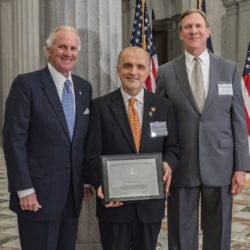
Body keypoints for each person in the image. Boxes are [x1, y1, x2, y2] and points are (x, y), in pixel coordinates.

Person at [156, 8, 250, 250]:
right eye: (188, 27)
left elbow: (239, 121)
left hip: (221, 164)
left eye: (198, 26)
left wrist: (241, 166)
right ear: (180, 34)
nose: (194, 31)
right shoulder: (166, 72)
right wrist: (163, 160)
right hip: (181, 164)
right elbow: (159, 122)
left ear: (207, 31)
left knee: (218, 234)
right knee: (180, 231)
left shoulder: (228, 69)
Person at [3, 26, 92, 250]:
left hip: (71, 195)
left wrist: (86, 180)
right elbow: (14, 141)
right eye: (62, 46)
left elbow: (83, 141)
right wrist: (24, 188)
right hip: (37, 196)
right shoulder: (27, 85)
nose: (68, 53)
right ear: (48, 50)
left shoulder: (83, 88)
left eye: (73, 48)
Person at [85, 46, 179, 250]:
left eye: (140, 66)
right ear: (118, 69)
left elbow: (172, 147)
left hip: (149, 206)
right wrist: (102, 185)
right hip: (114, 205)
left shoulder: (163, 107)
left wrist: (168, 163)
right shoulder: (100, 107)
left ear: (148, 71)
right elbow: (91, 154)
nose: (133, 72)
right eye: (127, 66)